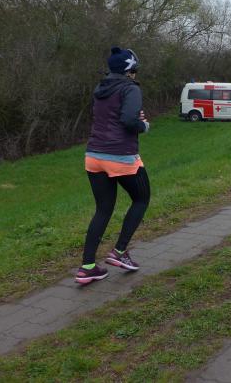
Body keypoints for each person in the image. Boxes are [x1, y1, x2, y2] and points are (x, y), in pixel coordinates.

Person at [76, 47, 151, 284]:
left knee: (103, 209)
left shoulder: (100, 88)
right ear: (130, 70)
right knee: (141, 199)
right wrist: (143, 126)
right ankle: (119, 252)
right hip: (120, 155)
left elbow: (110, 116)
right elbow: (128, 120)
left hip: (93, 156)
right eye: (135, 70)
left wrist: (134, 119)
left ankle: (88, 267)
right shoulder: (131, 88)